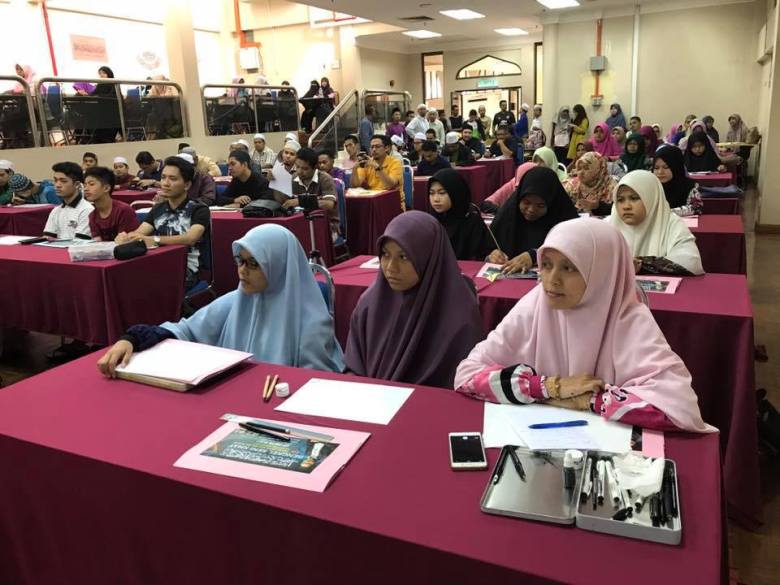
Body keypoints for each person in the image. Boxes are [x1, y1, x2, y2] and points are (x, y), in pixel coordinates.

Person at [454, 217, 712, 434]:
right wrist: (548, 387)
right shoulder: (535, 305)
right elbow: (467, 375)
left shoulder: (629, 320)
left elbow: (679, 409)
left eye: (569, 268)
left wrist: (589, 400)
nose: (551, 280)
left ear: (602, 272)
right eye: (546, 265)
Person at [98, 224, 344, 376]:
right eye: (240, 261)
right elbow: (185, 330)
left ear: (280, 266)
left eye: (253, 264)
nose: (242, 271)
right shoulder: (237, 300)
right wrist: (131, 339)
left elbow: (317, 385)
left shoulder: (310, 322)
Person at [344, 211, 483, 387]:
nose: (390, 268)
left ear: (429, 258)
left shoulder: (459, 318)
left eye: (403, 257)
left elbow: (463, 386)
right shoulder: (369, 304)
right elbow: (353, 367)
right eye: (385, 254)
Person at [116, 157, 210, 289]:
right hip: (158, 263)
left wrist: (154, 240)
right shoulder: (158, 209)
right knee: (125, 279)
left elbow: (191, 238)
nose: (165, 183)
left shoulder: (199, 209)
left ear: (187, 185)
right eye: (163, 177)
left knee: (145, 286)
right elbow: (139, 233)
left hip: (187, 269)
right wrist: (126, 238)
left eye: (173, 179)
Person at [608, 170, 704, 276]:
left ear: (651, 198)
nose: (626, 206)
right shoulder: (608, 226)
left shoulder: (671, 224)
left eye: (634, 198)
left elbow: (691, 262)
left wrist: (642, 264)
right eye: (620, 200)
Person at [487, 166, 579, 275]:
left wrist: (535, 255)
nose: (531, 209)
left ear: (551, 204)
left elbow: (573, 250)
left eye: (540, 205)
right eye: (526, 202)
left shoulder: (565, 222)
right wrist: (492, 254)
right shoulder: (508, 216)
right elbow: (487, 247)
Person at [428, 169, 494, 261]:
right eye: (431, 193)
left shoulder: (472, 221)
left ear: (456, 193)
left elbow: (482, 256)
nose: (435, 199)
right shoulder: (430, 221)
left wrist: (491, 257)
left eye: (442, 193)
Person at [287, 147, 340, 242]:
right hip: (300, 222)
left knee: (311, 240)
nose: (299, 171)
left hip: (327, 225)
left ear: (315, 167)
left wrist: (300, 201)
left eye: (305, 168)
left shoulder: (325, 179)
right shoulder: (293, 178)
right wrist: (274, 182)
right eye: (297, 167)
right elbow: (285, 202)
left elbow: (329, 204)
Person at [350, 135, 405, 211]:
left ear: (386, 148)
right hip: (373, 203)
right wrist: (354, 169)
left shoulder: (395, 163)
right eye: (372, 147)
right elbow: (356, 185)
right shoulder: (367, 163)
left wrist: (376, 167)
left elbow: (390, 185)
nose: (374, 149)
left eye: (377, 147)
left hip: (392, 203)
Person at [84, 166, 138, 241]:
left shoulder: (123, 210)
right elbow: (97, 242)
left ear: (106, 188)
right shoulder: (92, 216)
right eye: (85, 185)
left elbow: (130, 241)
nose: (86, 189)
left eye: (91, 184)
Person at [42, 162, 92, 239]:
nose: (57, 185)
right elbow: (47, 238)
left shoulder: (87, 210)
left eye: (63, 181)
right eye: (55, 180)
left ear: (77, 184)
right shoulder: (56, 211)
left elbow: (80, 243)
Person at [653, 145, 703, 216]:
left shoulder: (689, 186)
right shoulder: (651, 186)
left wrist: (668, 212)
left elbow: (696, 208)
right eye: (656, 168)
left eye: (666, 167)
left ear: (676, 167)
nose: (660, 172)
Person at [563, 151, 617, 216]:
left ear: (598, 169)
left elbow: (616, 210)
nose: (581, 173)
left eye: (586, 168)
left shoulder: (611, 186)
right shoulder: (573, 185)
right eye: (579, 169)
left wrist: (596, 206)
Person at [92, 66, 119, 143]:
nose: (101, 75)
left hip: (111, 112)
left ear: (109, 74)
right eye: (100, 73)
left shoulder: (114, 83)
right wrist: (86, 93)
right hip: (101, 111)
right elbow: (93, 95)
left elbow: (113, 96)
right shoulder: (99, 85)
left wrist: (99, 96)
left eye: (103, 73)